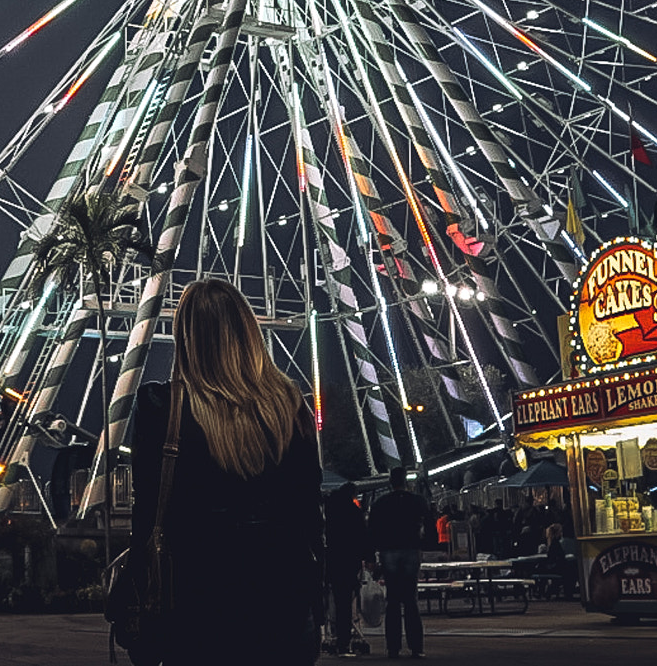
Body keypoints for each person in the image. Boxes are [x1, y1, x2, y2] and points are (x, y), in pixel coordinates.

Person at [130, 279, 321, 664]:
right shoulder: (289, 406)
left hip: (195, 597)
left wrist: (138, 596)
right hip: (279, 595)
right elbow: (308, 509)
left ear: (185, 336)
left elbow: (148, 514)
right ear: (248, 331)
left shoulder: (160, 408)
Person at [366, 468, 432, 659]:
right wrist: (424, 544)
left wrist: (372, 554)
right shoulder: (417, 501)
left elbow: (372, 529)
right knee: (411, 599)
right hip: (411, 549)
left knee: (393, 600)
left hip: (389, 551)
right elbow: (428, 522)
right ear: (405, 480)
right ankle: (416, 646)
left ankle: (393, 647)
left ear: (390, 481)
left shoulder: (381, 503)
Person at [324, 483, 367, 656]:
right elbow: (362, 537)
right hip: (349, 562)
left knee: (334, 601)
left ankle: (333, 636)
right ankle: (343, 642)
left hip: (333, 562)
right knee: (346, 605)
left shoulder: (330, 513)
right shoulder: (354, 513)